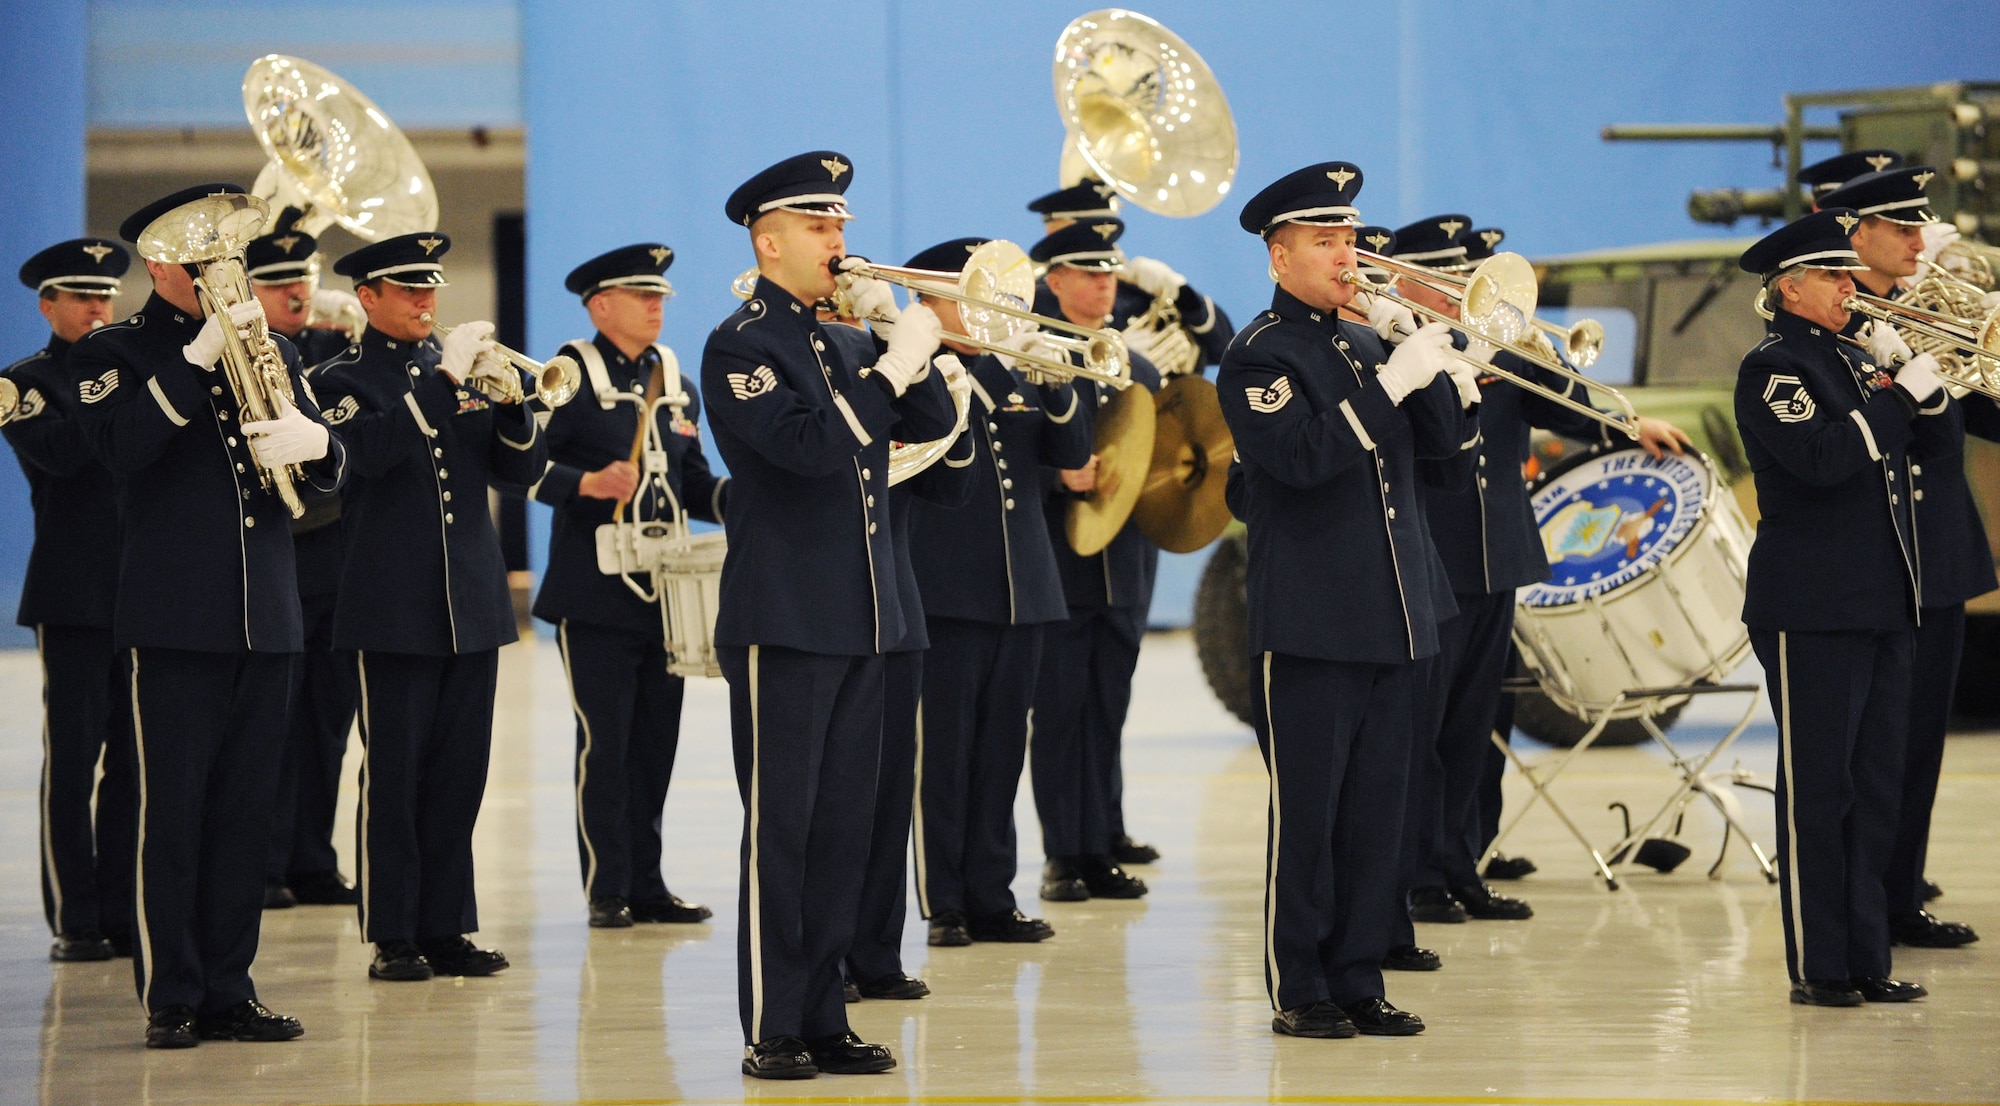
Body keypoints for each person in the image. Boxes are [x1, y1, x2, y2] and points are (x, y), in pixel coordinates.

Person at [700, 150, 956, 1079]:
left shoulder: (848, 341)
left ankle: (824, 1014)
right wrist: (886, 374)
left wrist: (904, 342)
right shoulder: (741, 344)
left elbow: (928, 431)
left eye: (841, 225)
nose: (839, 241)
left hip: (867, 618)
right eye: (819, 227)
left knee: (849, 826)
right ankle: (774, 1024)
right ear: (770, 242)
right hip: (786, 620)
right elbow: (808, 450)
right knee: (785, 830)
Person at [73, 183, 347, 1048]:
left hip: (269, 614)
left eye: (227, 256)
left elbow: (318, 476)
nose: (222, 275)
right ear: (162, 268)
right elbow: (118, 450)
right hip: (176, 617)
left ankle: (231, 984)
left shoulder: (270, 350)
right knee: (175, 810)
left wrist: (324, 446)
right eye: (204, 261)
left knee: (244, 812)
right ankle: (172, 993)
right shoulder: (116, 351)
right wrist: (189, 366)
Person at [1218, 161, 1474, 1039]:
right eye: (1325, 241)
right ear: (1279, 256)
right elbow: (1295, 461)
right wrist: (1389, 384)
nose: (1346, 254)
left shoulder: (1367, 341)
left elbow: (1444, 450)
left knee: (1380, 813)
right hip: (1314, 622)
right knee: (1312, 816)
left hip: (1400, 612)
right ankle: (1303, 987)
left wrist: (1430, 359)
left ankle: (1360, 976)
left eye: (1352, 238)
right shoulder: (1259, 353)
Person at [313, 231, 546, 983]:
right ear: (369, 299)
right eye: (407, 289)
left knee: (458, 775)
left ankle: (446, 926)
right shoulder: (338, 380)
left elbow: (518, 475)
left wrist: (517, 407)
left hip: (471, 602)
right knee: (396, 773)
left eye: (430, 288)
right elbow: (364, 457)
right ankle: (393, 932)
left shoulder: (457, 372)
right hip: (392, 605)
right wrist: (443, 384)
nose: (424, 300)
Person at [1732, 207, 1938, 1007]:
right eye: (1836, 275)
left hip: (1882, 598)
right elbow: (1822, 459)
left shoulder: (1855, 360)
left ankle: (1865, 958)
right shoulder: (1775, 367)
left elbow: (1936, 447)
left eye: (1851, 274)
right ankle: (1822, 966)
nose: (1853, 288)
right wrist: (1895, 402)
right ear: (1792, 286)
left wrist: (1911, 373)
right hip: (1811, 604)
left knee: (1874, 784)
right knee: (1820, 790)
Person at [897, 238, 1092, 947]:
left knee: (1002, 749)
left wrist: (1054, 379)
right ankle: (943, 898)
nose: (985, 306)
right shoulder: (921, 370)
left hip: (1025, 590)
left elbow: (1071, 459)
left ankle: (992, 892)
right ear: (929, 302)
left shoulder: (1014, 376)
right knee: (944, 752)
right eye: (967, 291)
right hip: (947, 588)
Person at [530, 242, 723, 928]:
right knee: (606, 742)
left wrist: (739, 500)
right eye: (643, 296)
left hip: (664, 592)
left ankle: (648, 880)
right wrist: (581, 483)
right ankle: (606, 887)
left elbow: (691, 477)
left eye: (662, 296)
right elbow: (518, 462)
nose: (657, 306)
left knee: (655, 743)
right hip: (594, 590)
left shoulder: (674, 379)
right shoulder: (567, 374)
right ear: (599, 305)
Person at [1818, 167, 1986, 949]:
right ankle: (1856, 909)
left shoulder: (1928, 312)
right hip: (1879, 562)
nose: (1921, 242)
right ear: (1856, 233)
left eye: (1922, 228)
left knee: (1918, 747)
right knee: (1866, 754)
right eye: (1903, 228)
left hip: (1942, 555)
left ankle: (1898, 895)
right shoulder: (1826, 322)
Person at [816, 282, 971, 999]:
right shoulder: (810, 370)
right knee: (828, 801)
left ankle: (876, 953)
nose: (849, 311)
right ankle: (825, 958)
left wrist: (932, 369)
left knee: (884, 795)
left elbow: (950, 485)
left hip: (895, 606)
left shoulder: (889, 361)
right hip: (831, 607)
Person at [5, 237, 138, 962]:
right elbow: (57, 456)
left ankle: (121, 906)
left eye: (104, 297)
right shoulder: (24, 382)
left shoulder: (124, 376)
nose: (97, 308)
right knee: (74, 756)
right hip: (73, 592)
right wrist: (105, 391)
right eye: (81, 297)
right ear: (47, 305)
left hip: (144, 591)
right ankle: (75, 915)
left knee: (134, 762)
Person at [1026, 217, 1160, 904]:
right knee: (1058, 717)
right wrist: (1058, 479)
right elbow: (1017, 458)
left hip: (1125, 572)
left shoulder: (1139, 368)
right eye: (1088, 272)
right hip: (1061, 568)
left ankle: (1099, 845)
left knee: (1106, 713)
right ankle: (1061, 854)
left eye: (1109, 272)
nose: (1104, 283)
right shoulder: (1036, 359)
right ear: (1054, 281)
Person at [240, 212, 363, 910]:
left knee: (327, 718)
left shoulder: (334, 346)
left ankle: (313, 858)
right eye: (277, 282)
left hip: (338, 558)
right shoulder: (243, 359)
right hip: (278, 556)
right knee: (274, 722)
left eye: (303, 280)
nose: (295, 293)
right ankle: (261, 863)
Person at [1029, 179, 1235, 379]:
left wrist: (1180, 291)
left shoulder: (1140, 285)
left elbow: (1224, 347)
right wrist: (1124, 358)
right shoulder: (1040, 297)